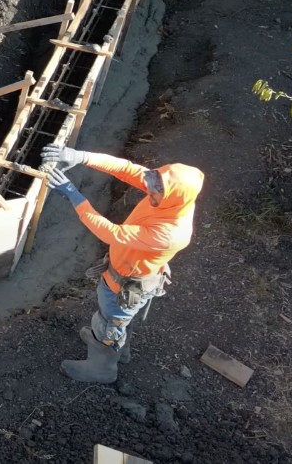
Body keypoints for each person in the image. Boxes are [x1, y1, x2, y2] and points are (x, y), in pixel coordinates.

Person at [42, 143, 204, 384]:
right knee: (116, 321)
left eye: (154, 193)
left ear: (171, 195)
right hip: (127, 271)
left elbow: (111, 233)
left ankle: (103, 368)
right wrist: (80, 156)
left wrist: (73, 195)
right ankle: (119, 350)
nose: (148, 192)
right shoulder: (169, 194)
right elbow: (126, 169)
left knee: (110, 321)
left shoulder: (171, 232)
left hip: (124, 285)